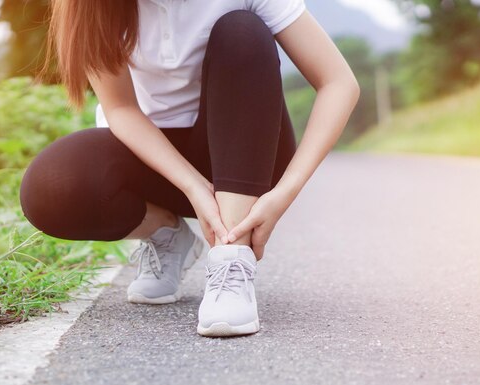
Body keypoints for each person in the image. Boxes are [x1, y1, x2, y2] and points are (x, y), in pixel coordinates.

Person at [19, 0, 359, 337]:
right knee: (52, 187)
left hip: (246, 151)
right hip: (153, 157)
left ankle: (231, 258)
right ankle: (166, 234)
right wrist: (193, 186)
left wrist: (286, 191)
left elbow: (338, 83)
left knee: (242, 30)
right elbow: (121, 109)